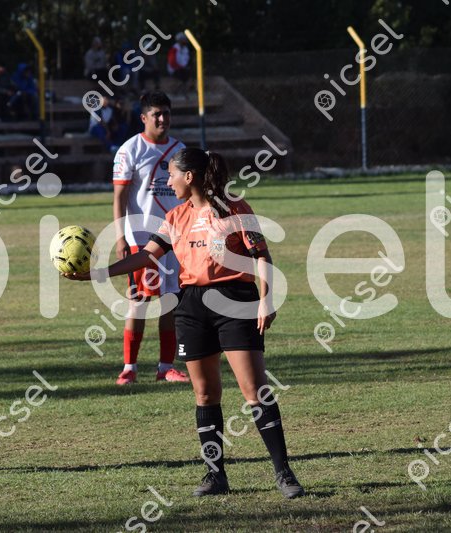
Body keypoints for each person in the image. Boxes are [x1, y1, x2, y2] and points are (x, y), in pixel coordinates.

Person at [63, 148, 305, 499]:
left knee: (254, 390)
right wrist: (96, 274)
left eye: (172, 174)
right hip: (192, 305)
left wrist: (266, 300)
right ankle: (215, 476)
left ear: (189, 177)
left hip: (236, 300)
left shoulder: (234, 208)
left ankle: (284, 473)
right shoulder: (176, 216)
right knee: (205, 394)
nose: (168, 181)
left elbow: (261, 256)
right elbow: (146, 256)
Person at [110, 91, 189, 385]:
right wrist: (121, 237)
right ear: (144, 118)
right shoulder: (130, 150)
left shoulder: (180, 150)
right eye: (156, 114)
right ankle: (129, 368)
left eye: (166, 113)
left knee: (170, 302)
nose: (162, 119)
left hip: (174, 238)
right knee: (139, 301)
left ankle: (165, 367)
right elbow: (119, 197)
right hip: (141, 238)